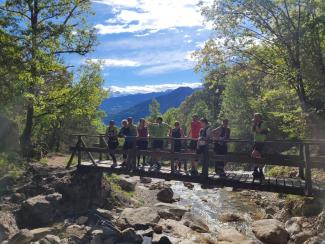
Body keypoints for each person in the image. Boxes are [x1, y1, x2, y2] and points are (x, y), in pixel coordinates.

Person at [251, 113, 269, 179]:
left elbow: (259, 131)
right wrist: (254, 124)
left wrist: (255, 124)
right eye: (255, 117)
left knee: (254, 155)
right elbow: (253, 131)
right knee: (258, 157)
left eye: (257, 117)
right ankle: (259, 172)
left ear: (260, 118)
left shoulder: (263, 123)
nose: (255, 118)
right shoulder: (256, 124)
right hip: (256, 142)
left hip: (261, 142)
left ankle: (256, 170)